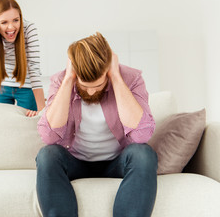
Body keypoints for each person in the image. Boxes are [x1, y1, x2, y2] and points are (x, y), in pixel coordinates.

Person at [36, 32, 158, 217]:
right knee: (47, 155)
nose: (91, 91)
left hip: (116, 163)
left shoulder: (131, 78)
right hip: (75, 162)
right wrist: (69, 79)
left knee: (144, 154)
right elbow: (49, 136)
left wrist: (116, 77)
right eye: (84, 86)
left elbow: (141, 135)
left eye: (98, 85)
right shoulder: (62, 80)